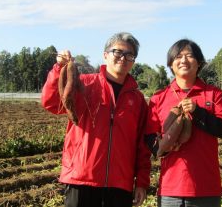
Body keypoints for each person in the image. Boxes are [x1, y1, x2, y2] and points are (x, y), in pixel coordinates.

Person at [41, 32, 151, 207]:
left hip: (120, 184)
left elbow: (142, 145)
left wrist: (142, 182)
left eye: (129, 55)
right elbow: (52, 103)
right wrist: (58, 69)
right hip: (81, 178)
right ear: (105, 55)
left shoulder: (137, 100)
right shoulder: (84, 84)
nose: (123, 58)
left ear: (133, 61)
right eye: (118, 52)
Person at [145, 38, 222, 207]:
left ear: (199, 63)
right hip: (170, 190)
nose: (183, 60)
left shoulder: (214, 94)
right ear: (171, 64)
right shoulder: (158, 98)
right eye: (178, 56)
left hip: (206, 189)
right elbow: (149, 136)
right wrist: (163, 147)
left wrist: (197, 112)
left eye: (189, 56)